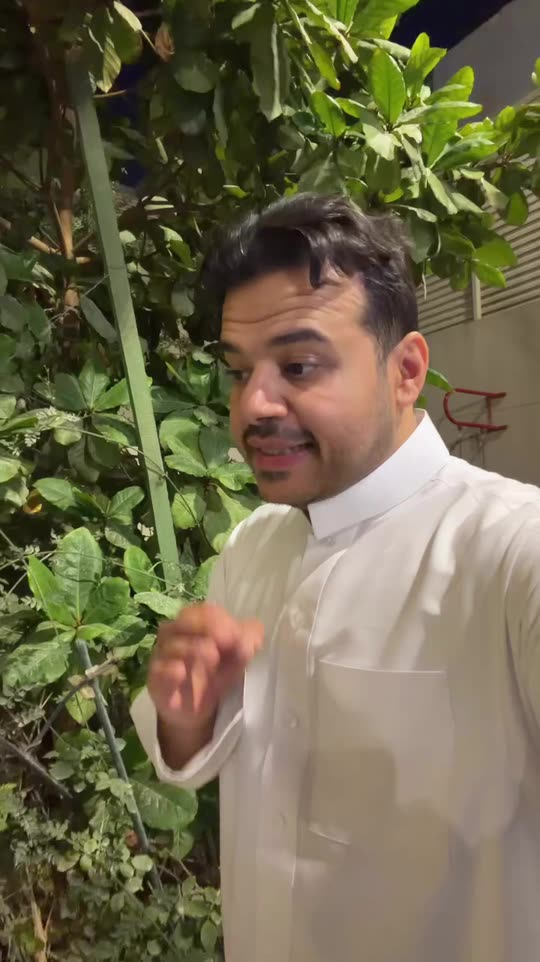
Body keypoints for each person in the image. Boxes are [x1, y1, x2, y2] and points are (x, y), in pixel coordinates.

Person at [132, 193, 540, 962]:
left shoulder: (512, 552)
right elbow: (195, 758)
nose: (253, 404)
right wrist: (186, 713)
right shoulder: (252, 548)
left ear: (405, 371)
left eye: (299, 366)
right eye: (240, 370)